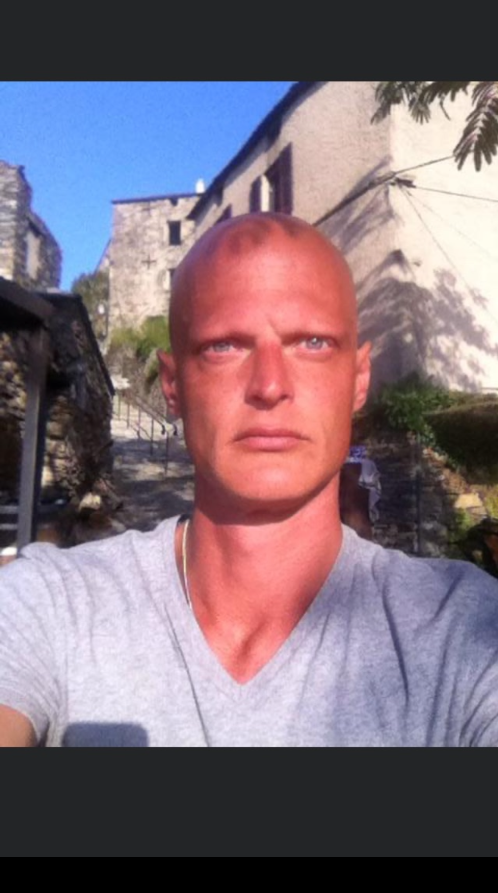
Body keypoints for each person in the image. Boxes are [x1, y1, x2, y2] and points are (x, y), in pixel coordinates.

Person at [1, 212, 498, 747]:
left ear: (358, 379)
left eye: (312, 342)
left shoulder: (466, 629)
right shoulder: (50, 604)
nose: (269, 385)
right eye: (224, 346)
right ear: (173, 385)